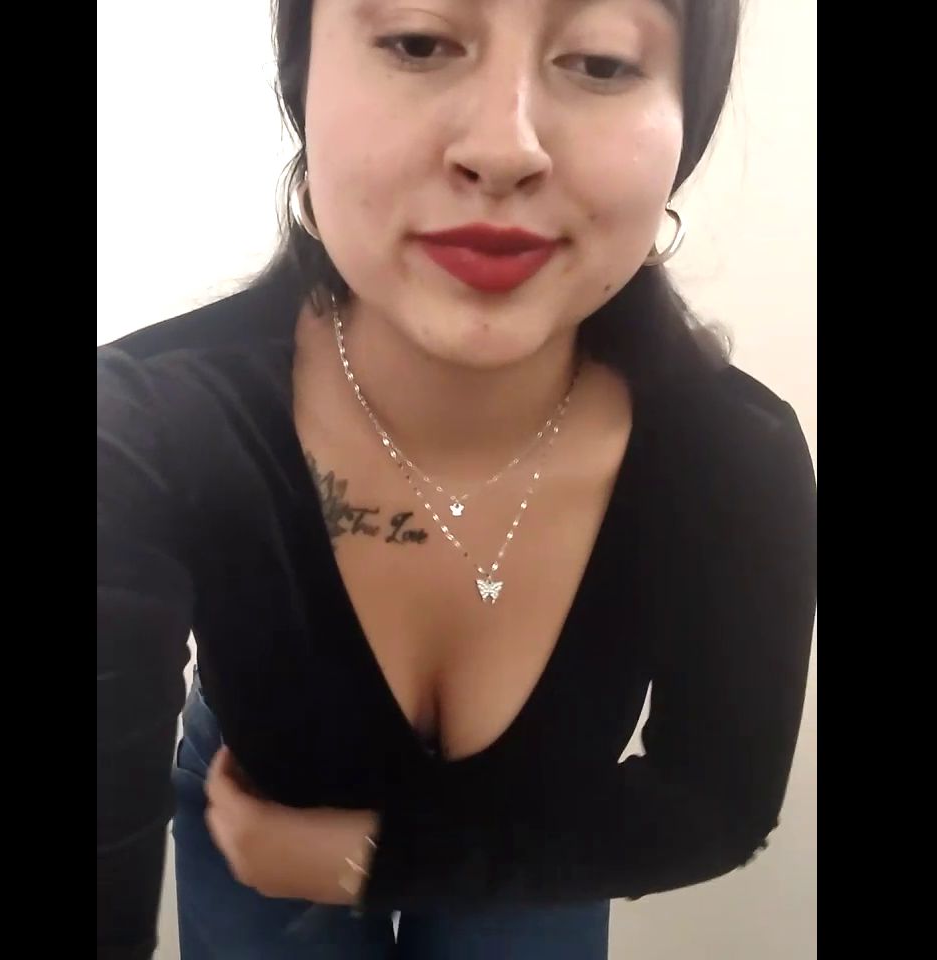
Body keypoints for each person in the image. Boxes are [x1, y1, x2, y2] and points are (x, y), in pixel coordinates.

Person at [96, 0, 817, 957]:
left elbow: (716, 806)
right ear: (302, 84)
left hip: (538, 839)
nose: (503, 148)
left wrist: (366, 859)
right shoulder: (143, 425)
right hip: (254, 811)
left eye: (602, 62)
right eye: (418, 41)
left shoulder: (737, 458)